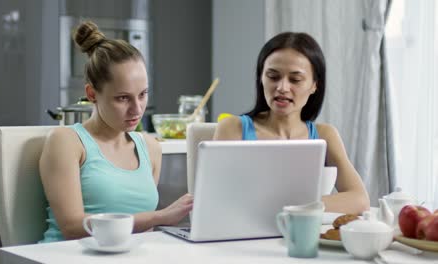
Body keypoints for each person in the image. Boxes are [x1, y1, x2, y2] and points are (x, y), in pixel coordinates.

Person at [39, 21, 193, 242]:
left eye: (142, 94)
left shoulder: (150, 147)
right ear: (92, 94)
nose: (137, 109)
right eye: (123, 98)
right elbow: (72, 227)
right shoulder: (66, 141)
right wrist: (159, 217)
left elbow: (143, 235)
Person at [213, 32, 369, 215]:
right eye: (273, 76)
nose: (282, 88)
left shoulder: (325, 135)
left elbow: (359, 199)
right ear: (260, 78)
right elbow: (214, 200)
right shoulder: (233, 128)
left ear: (314, 85)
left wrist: (289, 207)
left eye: (295, 79)